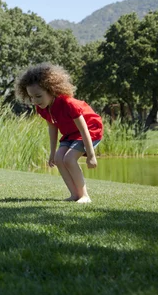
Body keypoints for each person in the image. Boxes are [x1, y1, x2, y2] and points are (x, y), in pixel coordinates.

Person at [14, 63, 103, 204]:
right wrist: (52, 153)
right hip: (70, 134)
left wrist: (91, 155)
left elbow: (84, 129)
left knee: (69, 159)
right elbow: (53, 128)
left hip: (90, 129)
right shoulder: (42, 108)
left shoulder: (69, 103)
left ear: (52, 90)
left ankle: (85, 196)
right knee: (59, 158)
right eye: (31, 97)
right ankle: (75, 195)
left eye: (38, 96)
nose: (35, 101)